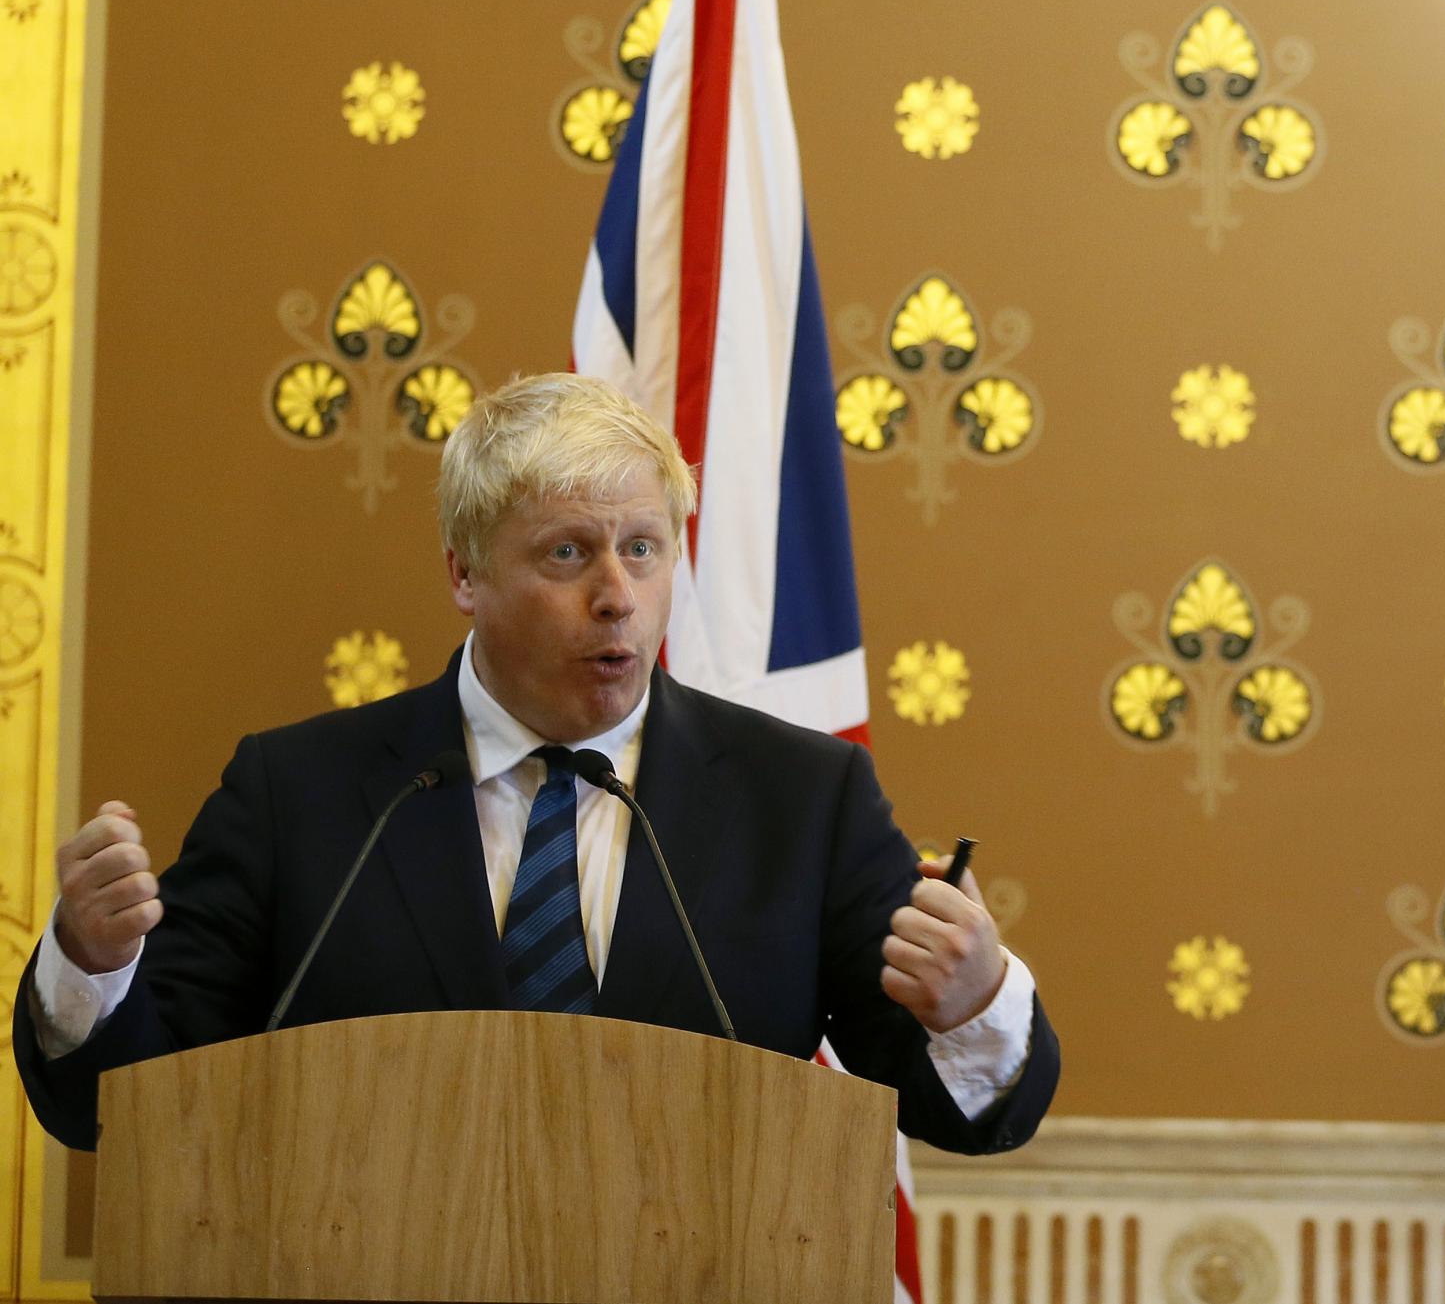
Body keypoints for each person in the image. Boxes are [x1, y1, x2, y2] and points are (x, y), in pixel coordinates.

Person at [15, 373, 1056, 1156]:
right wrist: (93, 968)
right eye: (569, 553)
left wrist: (972, 1001)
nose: (617, 595)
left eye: (643, 549)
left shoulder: (801, 800)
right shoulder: (302, 795)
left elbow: (958, 1115)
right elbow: (121, 1103)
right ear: (465, 574)